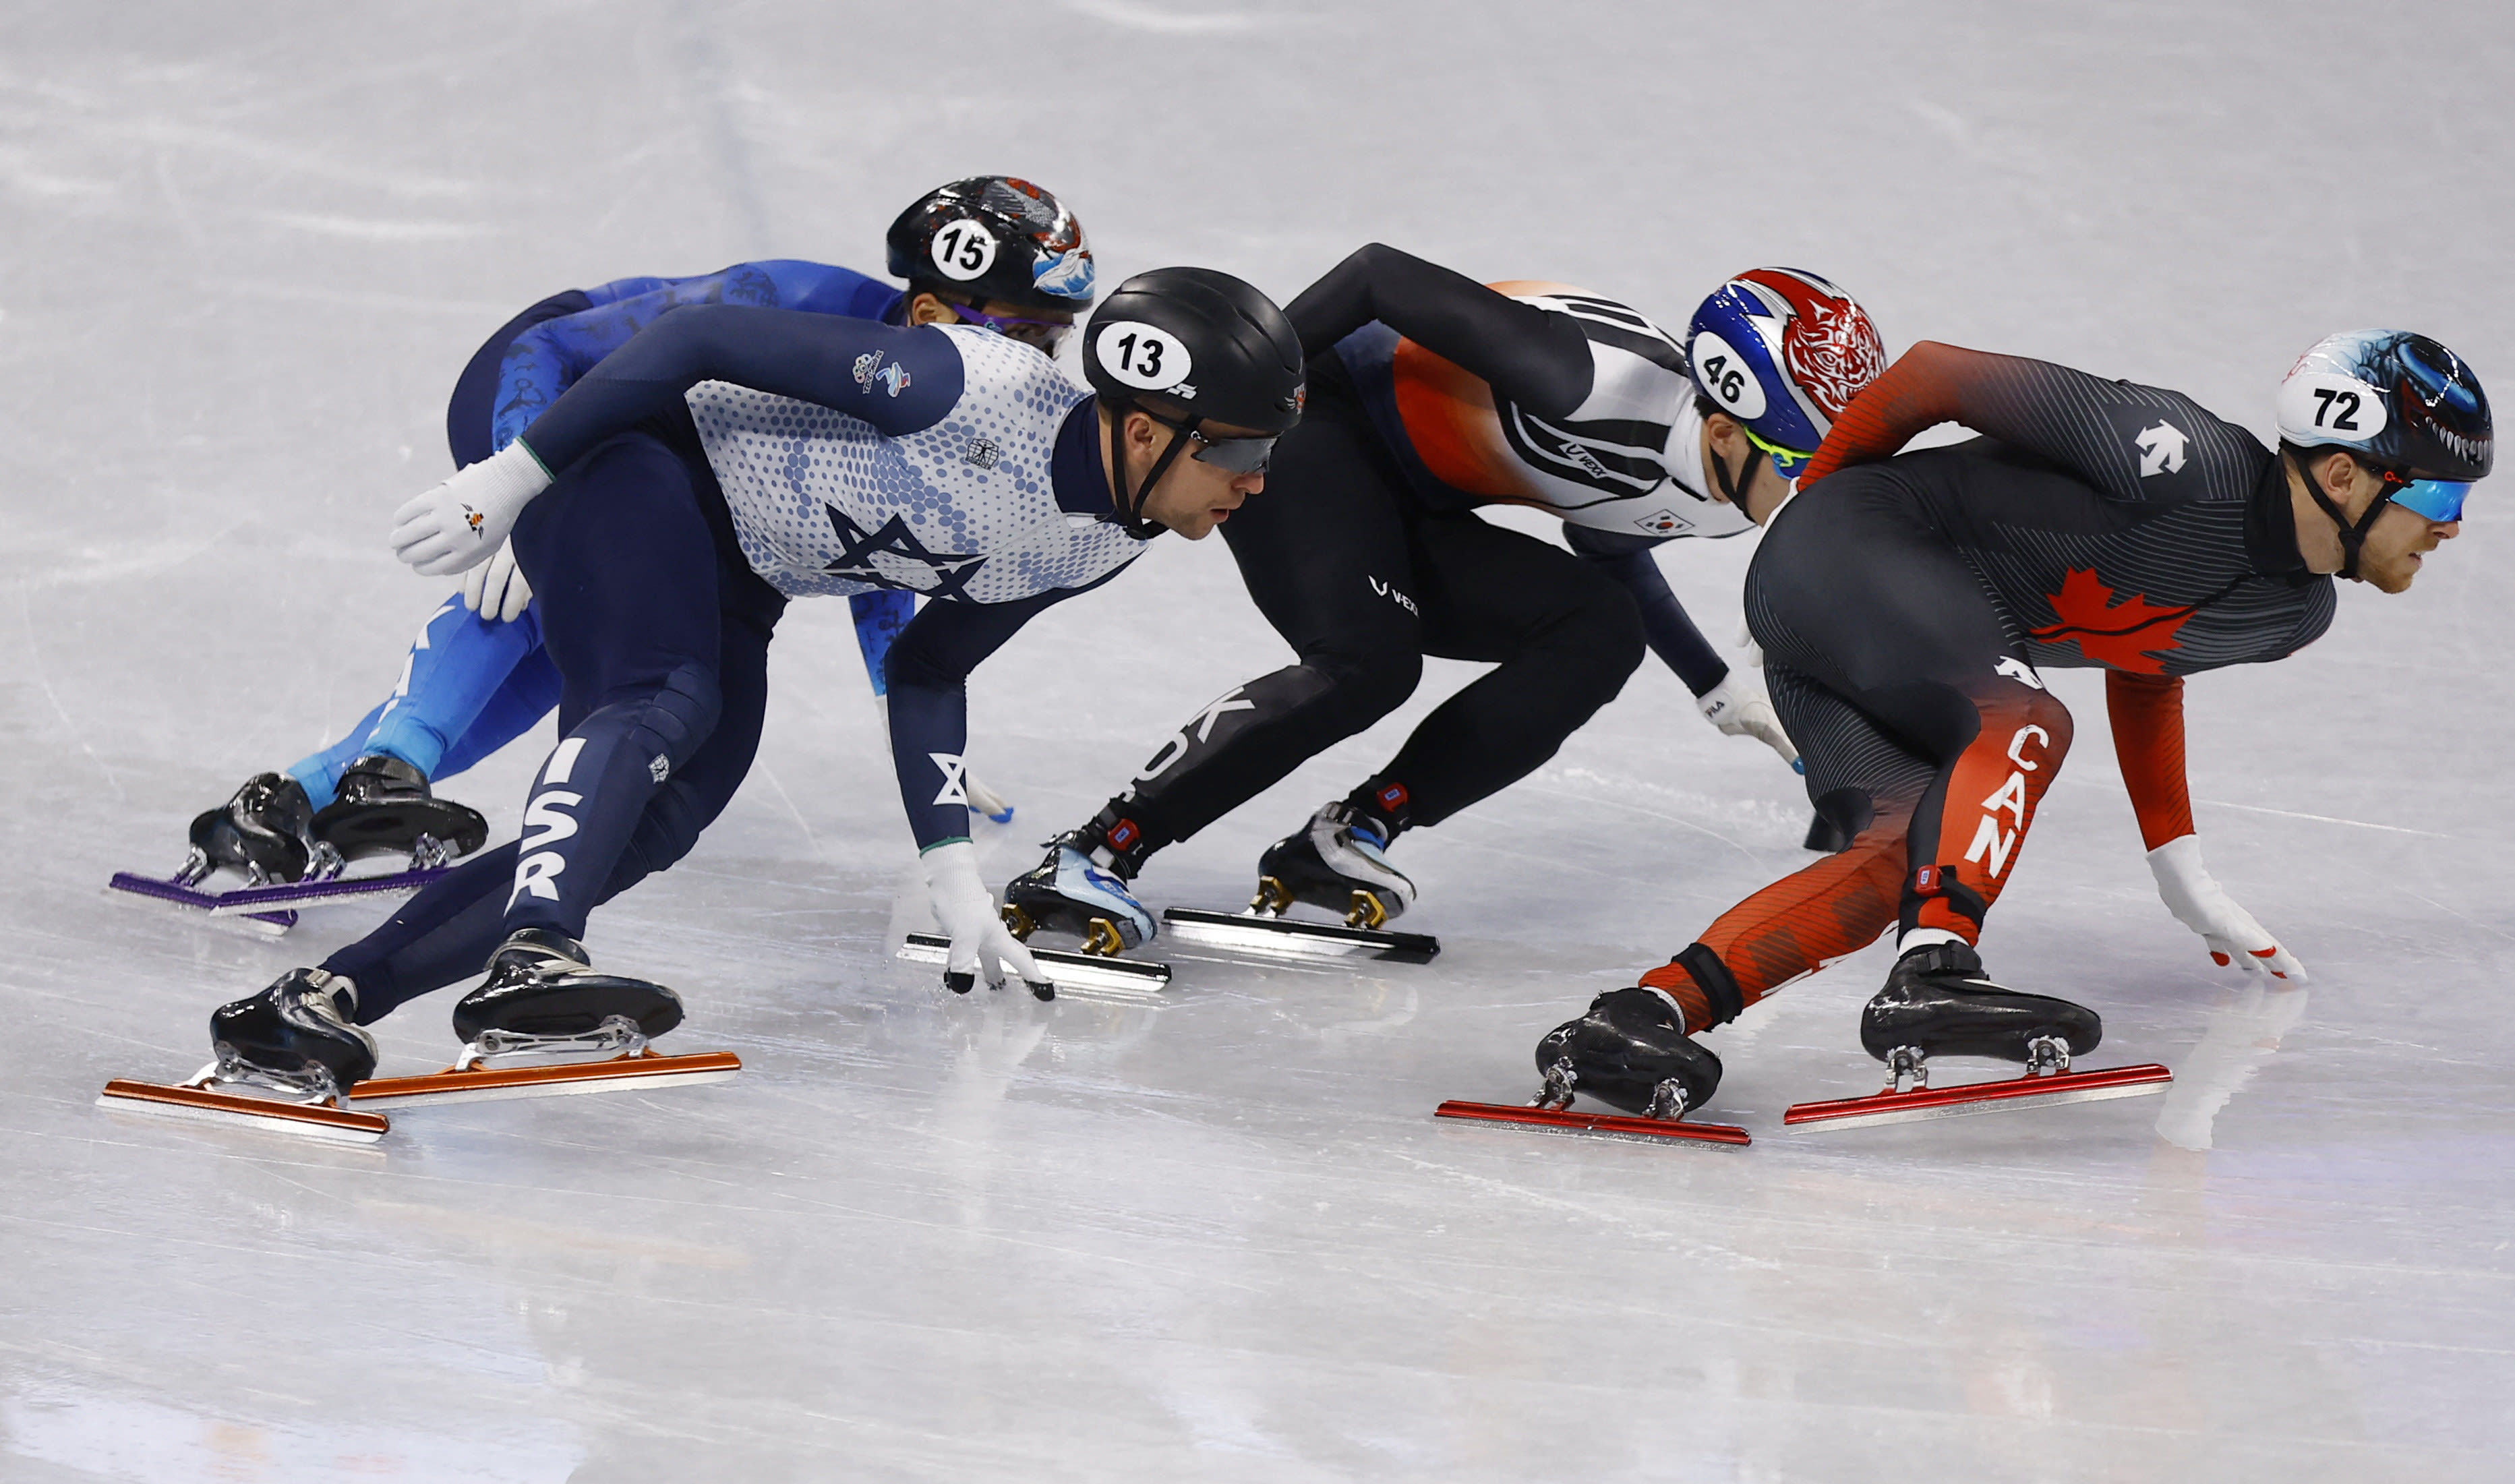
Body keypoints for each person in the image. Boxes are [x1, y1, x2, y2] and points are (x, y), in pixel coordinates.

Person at [192, 264, 1305, 1102]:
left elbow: (929, 665)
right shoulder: (960, 382)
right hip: (612, 428)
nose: (1256, 488)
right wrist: (512, 475)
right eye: (1244, 458)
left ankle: (313, 1005)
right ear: (1151, 429)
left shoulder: (1110, 537)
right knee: (665, 694)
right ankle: (537, 952)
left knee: (668, 811)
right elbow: (695, 336)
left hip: (734, 547)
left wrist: (951, 862)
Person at [1529, 328, 2493, 1119]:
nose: (2450, 526)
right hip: (1854, 545)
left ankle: (1638, 1014)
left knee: (1886, 862)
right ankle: (1937, 965)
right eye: (2438, 494)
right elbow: (1931, 376)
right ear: (2339, 474)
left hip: (1870, 642)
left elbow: (2148, 659)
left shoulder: (2290, 615)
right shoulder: (2174, 452)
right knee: (2022, 716)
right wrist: (1802, 515)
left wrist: (2179, 865)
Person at [171, 177, 1088, 887]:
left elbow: (881, 543)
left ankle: (286, 796)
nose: (1044, 368)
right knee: (562, 596)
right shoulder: (802, 299)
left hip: (666, 461)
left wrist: (902, 702)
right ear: (931, 315)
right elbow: (564, 353)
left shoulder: (960, 406)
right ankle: (393, 763)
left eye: (1057, 342)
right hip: (550, 381)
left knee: (581, 653)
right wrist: (525, 489)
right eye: (1029, 337)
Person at [1003, 249, 1885, 951]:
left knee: (1596, 629)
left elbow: (1606, 548)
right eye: (1806, 470)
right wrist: (1230, 415)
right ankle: (1094, 849)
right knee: (1366, 663)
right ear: (1728, 430)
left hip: (1418, 493)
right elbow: (1375, 277)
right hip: (1323, 421)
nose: (1821, 493)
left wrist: (1713, 686)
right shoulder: (1583, 381)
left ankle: (1345, 838)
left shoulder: (1726, 486)